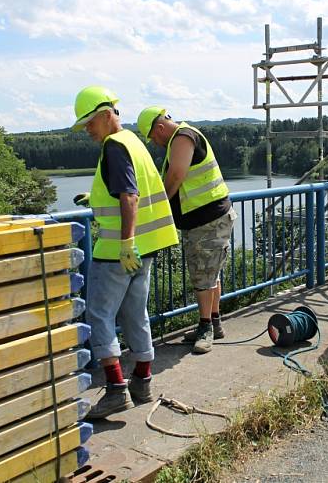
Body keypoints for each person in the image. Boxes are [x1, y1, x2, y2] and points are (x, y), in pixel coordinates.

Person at [71, 86, 178, 418]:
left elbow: (129, 196)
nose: (87, 130)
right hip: (144, 248)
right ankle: (142, 382)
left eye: (89, 122)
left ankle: (117, 390)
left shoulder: (114, 146)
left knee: (99, 315)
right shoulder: (134, 141)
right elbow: (128, 189)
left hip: (119, 250)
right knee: (135, 313)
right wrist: (97, 200)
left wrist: (125, 243)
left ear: (106, 115)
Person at [137, 106, 237, 354]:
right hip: (211, 217)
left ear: (159, 128)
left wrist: (156, 207)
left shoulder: (182, 138)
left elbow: (176, 176)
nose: (154, 143)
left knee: (203, 276)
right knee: (211, 274)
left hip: (207, 220)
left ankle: (205, 329)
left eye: (152, 137)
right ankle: (214, 323)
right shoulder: (185, 135)